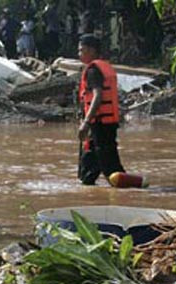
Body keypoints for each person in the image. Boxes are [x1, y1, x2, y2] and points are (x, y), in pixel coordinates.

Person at [77, 34, 125, 185]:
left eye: (81, 50)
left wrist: (85, 122)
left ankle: (130, 186)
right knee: (90, 160)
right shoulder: (104, 66)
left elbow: (98, 97)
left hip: (100, 123)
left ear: (91, 51)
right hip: (104, 122)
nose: (79, 54)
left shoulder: (93, 70)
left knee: (109, 165)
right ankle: (87, 184)